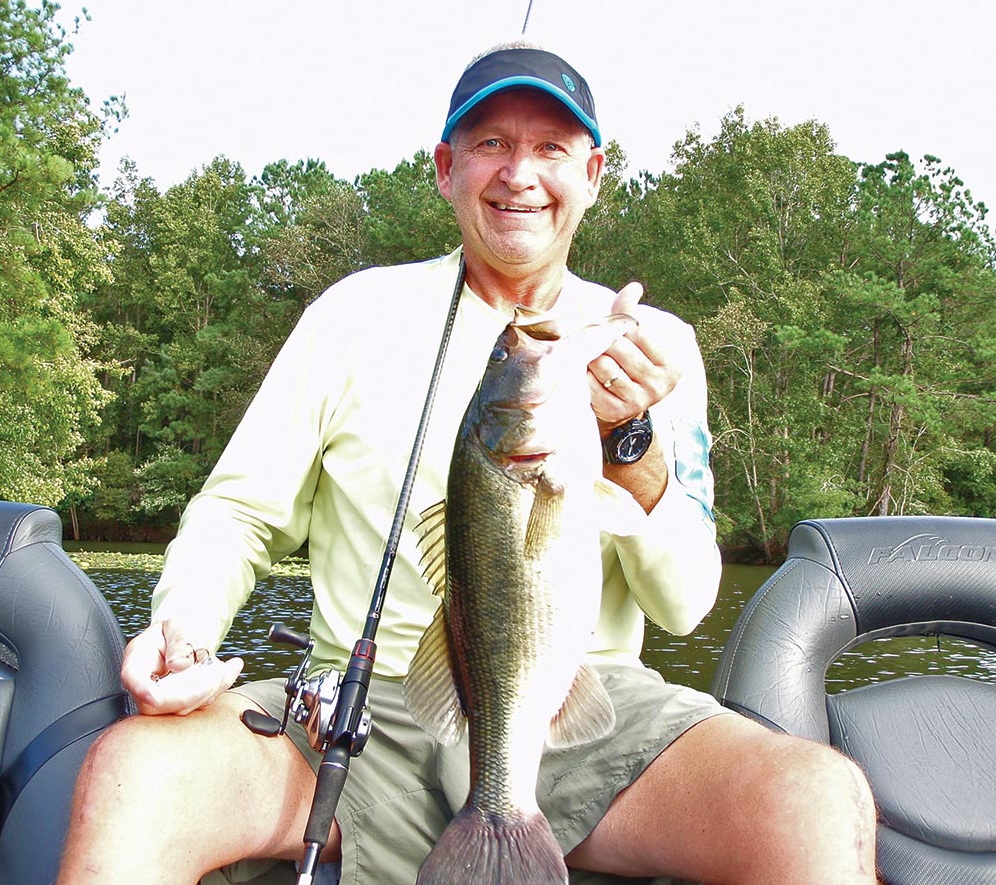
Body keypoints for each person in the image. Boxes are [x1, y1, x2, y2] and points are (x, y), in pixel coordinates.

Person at [58, 43, 877, 885]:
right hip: (352, 711)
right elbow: (238, 514)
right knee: (133, 773)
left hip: (580, 711)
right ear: (447, 168)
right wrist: (181, 630)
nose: (519, 173)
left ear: (593, 174)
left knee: (817, 797)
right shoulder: (352, 315)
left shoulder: (651, 349)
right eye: (490, 144)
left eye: (551, 148)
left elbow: (684, 604)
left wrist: (630, 440)